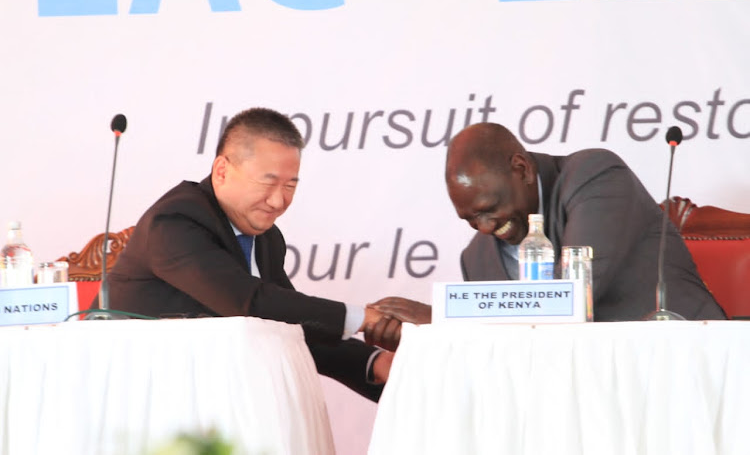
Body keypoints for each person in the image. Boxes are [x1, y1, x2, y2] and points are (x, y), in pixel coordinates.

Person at [95, 107, 400, 401]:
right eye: (268, 182)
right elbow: (248, 302)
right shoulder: (175, 222)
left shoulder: (266, 237)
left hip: (217, 389)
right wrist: (365, 319)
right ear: (222, 171)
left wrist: (373, 362)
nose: (279, 200)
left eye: (290, 185)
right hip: (138, 394)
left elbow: (288, 325)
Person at [373, 122, 725, 325]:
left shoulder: (594, 176)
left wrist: (446, 318)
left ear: (522, 169)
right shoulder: (477, 258)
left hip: (687, 361)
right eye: (469, 220)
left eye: (488, 209)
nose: (483, 228)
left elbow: (571, 298)